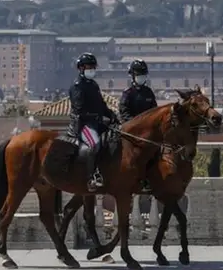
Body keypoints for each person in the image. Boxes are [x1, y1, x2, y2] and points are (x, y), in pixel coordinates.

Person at [67, 52, 119, 192]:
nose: (92, 69)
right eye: (89, 67)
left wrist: (112, 116)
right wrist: (96, 117)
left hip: (97, 123)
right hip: (83, 124)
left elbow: (101, 105)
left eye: (93, 67)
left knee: (116, 138)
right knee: (94, 144)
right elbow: (79, 110)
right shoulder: (77, 86)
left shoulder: (94, 85)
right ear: (81, 68)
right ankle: (91, 177)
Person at [118, 59, 157, 193]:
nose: (142, 77)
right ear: (133, 76)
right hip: (132, 131)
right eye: (139, 74)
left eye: (143, 74)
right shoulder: (127, 94)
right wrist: (137, 125)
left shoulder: (149, 93)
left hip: (148, 132)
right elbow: (124, 112)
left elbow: (154, 111)